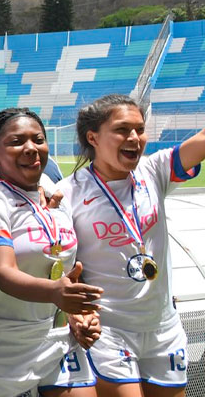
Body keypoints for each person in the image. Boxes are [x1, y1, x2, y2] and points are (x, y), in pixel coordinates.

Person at [58, 94, 205, 395]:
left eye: (140, 129)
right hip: (110, 331)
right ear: (93, 137)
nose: (135, 138)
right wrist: (77, 312)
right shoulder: (67, 193)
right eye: (123, 130)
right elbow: (65, 267)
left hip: (163, 327)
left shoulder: (154, 170)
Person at [0, 108, 104, 396]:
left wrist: (79, 313)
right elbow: (4, 273)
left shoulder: (53, 195)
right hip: (5, 344)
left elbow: (66, 271)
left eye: (38, 139)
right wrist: (56, 292)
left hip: (58, 338)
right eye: (17, 142)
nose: (31, 148)